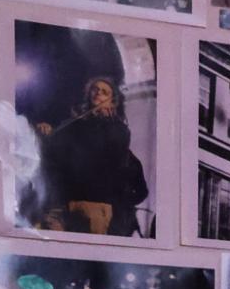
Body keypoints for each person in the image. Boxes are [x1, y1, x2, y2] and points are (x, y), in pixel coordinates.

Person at [36, 77, 149, 238]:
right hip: (62, 205)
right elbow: (54, 154)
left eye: (104, 92)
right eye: (95, 89)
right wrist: (45, 131)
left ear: (112, 103)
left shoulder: (117, 130)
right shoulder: (74, 124)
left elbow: (117, 156)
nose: (98, 93)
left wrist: (117, 204)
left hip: (92, 207)